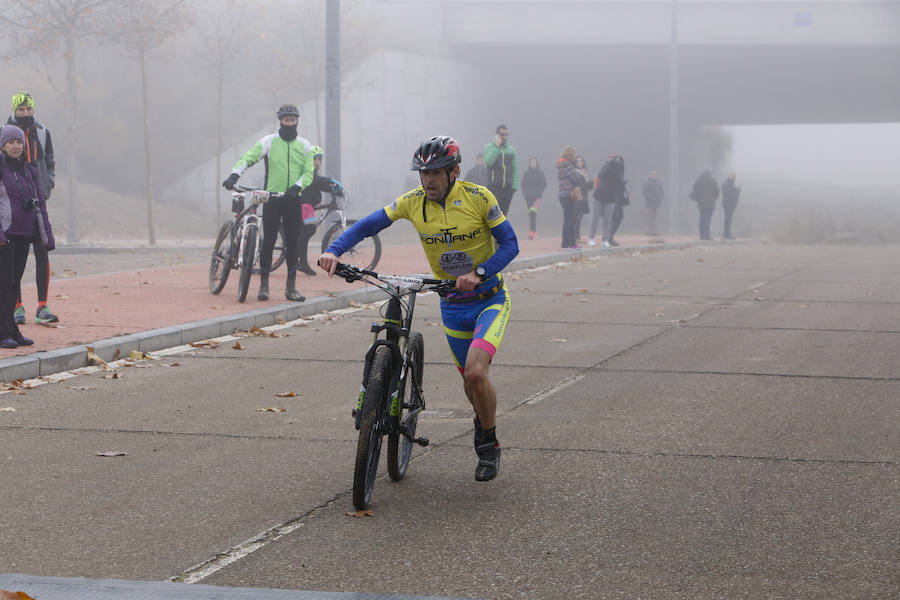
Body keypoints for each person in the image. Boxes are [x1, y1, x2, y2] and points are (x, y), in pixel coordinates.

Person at [319, 136, 519, 482]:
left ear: (454, 171)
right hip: (452, 306)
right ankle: (478, 414)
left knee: (475, 373)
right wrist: (335, 250)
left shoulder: (479, 198)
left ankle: (488, 442)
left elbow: (510, 244)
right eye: (424, 173)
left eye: (437, 172)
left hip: (489, 300)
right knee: (471, 387)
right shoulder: (413, 202)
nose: (429, 180)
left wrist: (479, 273)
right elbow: (369, 225)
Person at [222, 104, 315, 301]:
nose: (289, 123)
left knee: (292, 242)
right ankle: (264, 285)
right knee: (269, 241)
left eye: (292, 120)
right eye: (286, 120)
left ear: (297, 121)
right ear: (280, 121)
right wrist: (234, 175)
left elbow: (308, 173)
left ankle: (291, 287)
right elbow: (249, 157)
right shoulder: (269, 141)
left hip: (293, 199)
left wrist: (297, 187)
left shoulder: (305, 145)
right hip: (271, 198)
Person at [0, 124, 55, 348]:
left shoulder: (28, 169)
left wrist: (46, 236)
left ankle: (12, 329)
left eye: (19, 142)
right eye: (11, 142)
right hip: (5, 234)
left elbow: (39, 203)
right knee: (4, 284)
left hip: (24, 234)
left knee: (14, 284)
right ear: (3, 145)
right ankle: (3, 333)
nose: (15, 146)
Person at [7, 93, 57, 325]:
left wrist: (49, 184)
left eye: (29, 109)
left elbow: (50, 160)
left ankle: (42, 306)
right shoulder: (5, 132)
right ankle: (16, 307)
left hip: (38, 199)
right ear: (15, 110)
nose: (26, 113)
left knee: (41, 252)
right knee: (14, 256)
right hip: (13, 204)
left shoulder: (42, 132)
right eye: (22, 109)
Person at [295, 145, 343, 275]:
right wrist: (330, 180)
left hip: (307, 204)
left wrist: (333, 189)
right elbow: (315, 180)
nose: (317, 162)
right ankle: (301, 262)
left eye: (319, 159)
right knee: (309, 229)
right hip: (304, 204)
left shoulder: (313, 173)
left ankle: (300, 260)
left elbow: (317, 185)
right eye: (314, 158)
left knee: (304, 231)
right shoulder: (307, 171)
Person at [590, 154, 627, 247]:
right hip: (599, 196)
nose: (617, 162)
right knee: (595, 218)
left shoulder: (620, 172)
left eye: (619, 161)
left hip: (611, 198)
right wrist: (610, 165)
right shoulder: (605, 167)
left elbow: (619, 183)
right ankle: (591, 238)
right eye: (615, 160)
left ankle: (605, 239)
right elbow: (601, 175)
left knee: (607, 220)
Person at [483, 124, 518, 215]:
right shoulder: (489, 147)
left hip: (508, 188)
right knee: (494, 214)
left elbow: (515, 169)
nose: (504, 137)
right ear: (497, 135)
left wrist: (514, 186)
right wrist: (496, 147)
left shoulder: (512, 150)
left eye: (506, 134)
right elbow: (488, 161)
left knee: (504, 214)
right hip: (494, 186)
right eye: (502, 134)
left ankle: (502, 230)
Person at [557, 146, 587, 249]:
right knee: (571, 219)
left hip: (562, 194)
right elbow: (575, 177)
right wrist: (579, 173)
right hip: (569, 193)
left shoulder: (561, 165)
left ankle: (566, 242)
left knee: (567, 219)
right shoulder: (568, 165)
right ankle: (570, 243)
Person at [519, 156, 546, 240]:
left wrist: (538, 191)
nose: (533, 163)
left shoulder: (541, 173)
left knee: (533, 213)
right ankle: (533, 232)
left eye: (534, 162)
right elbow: (523, 184)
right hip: (528, 197)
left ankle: (532, 233)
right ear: (529, 164)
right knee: (531, 214)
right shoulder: (526, 173)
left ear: (537, 163)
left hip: (537, 197)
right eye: (531, 162)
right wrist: (524, 193)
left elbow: (544, 184)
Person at [690, 167, 719, 240]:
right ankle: (707, 235)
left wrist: (698, 199)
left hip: (701, 203)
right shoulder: (713, 180)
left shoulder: (698, 180)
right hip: (710, 203)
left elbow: (694, 191)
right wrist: (713, 198)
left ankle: (702, 235)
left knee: (702, 218)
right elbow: (717, 191)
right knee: (708, 219)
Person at [573, 156, 591, 243]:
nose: (580, 163)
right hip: (577, 198)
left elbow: (589, 187)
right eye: (578, 161)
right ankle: (575, 237)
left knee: (580, 218)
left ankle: (577, 236)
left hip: (584, 197)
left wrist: (590, 183)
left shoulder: (585, 172)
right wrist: (587, 184)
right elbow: (579, 185)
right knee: (577, 218)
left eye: (581, 161)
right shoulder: (575, 173)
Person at [642, 169, 665, 236]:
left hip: (657, 203)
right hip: (649, 203)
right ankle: (650, 231)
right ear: (650, 175)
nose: (654, 175)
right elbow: (644, 192)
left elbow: (662, 193)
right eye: (652, 174)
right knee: (650, 217)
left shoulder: (659, 183)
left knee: (655, 218)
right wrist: (651, 199)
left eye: (655, 174)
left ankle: (654, 231)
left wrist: (659, 200)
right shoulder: (647, 183)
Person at [721, 172, 741, 240]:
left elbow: (731, 193)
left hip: (730, 204)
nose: (733, 177)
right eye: (732, 176)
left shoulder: (729, 183)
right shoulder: (727, 183)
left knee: (729, 219)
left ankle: (727, 234)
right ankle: (726, 234)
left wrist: (737, 190)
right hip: (728, 204)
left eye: (734, 176)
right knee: (728, 219)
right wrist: (737, 190)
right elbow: (728, 193)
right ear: (729, 176)